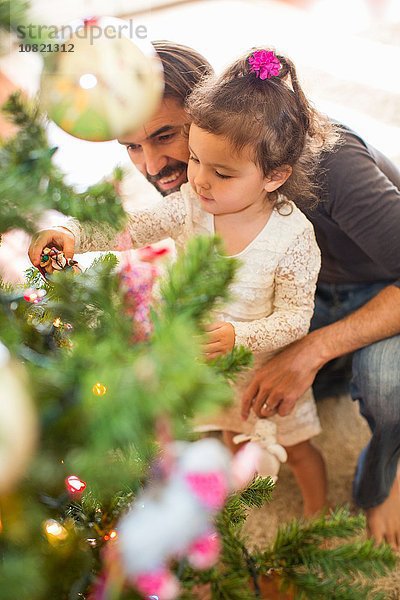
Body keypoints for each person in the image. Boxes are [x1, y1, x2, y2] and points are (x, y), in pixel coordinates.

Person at [28, 40, 400, 546]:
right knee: (232, 400)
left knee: (382, 385)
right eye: (132, 147)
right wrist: (72, 230)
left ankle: (386, 478)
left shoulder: (327, 164)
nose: (153, 167)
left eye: (166, 137)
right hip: (268, 309)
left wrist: (310, 351)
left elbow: (294, 318)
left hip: (373, 287)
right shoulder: (196, 186)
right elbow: (136, 225)